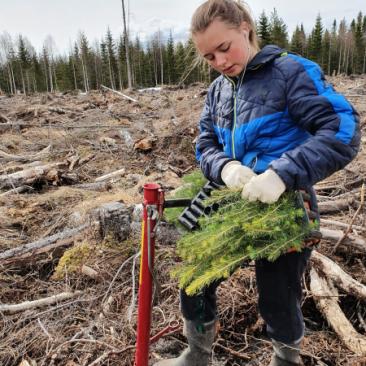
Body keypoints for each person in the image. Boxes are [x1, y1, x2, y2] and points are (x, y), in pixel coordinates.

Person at [154, 1, 360, 365]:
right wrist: (226, 169)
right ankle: (197, 356)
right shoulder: (219, 91)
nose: (219, 61)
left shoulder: (291, 72)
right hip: (230, 200)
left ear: (245, 27)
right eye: (208, 56)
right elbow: (204, 144)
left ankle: (285, 359)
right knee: (196, 276)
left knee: (278, 297)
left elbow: (342, 130)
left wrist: (282, 173)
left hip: (286, 204)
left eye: (224, 47)